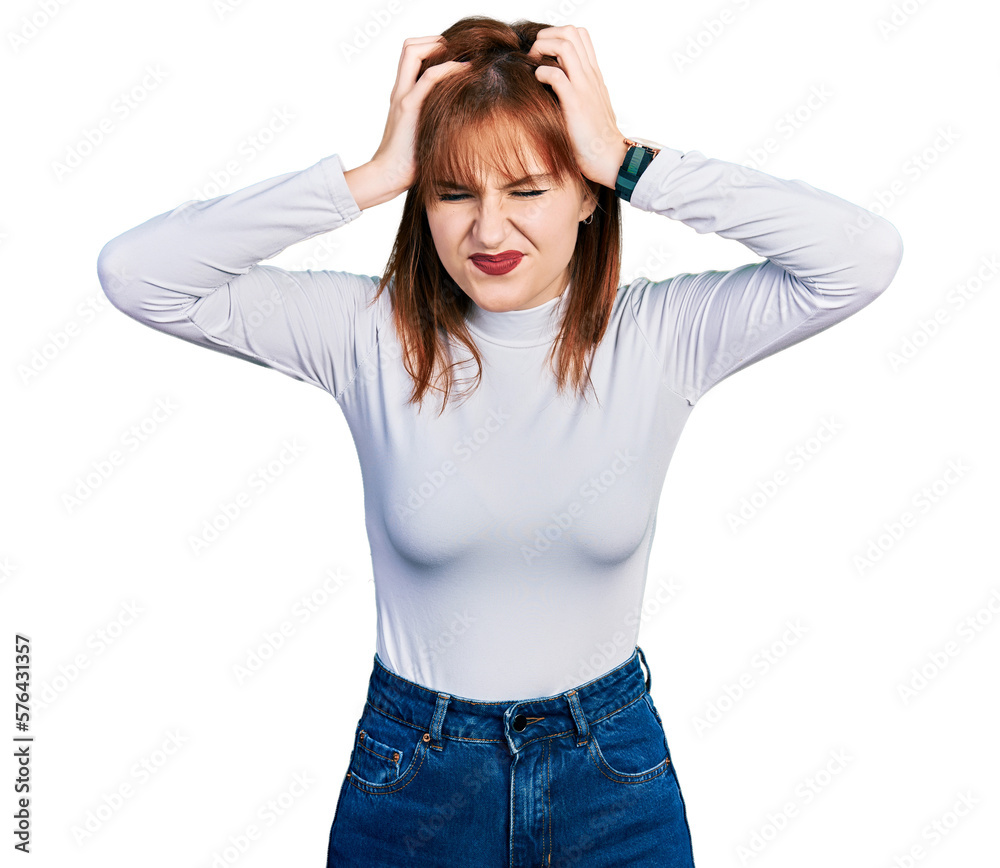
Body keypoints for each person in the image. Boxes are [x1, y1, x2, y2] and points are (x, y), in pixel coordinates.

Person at [96, 16, 903, 868]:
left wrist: (631, 160)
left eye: (526, 190)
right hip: (415, 784)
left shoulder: (662, 337)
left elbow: (861, 257)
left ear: (587, 193)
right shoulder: (369, 333)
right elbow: (139, 274)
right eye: (453, 192)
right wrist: (371, 176)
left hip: (611, 782)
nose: (488, 232)